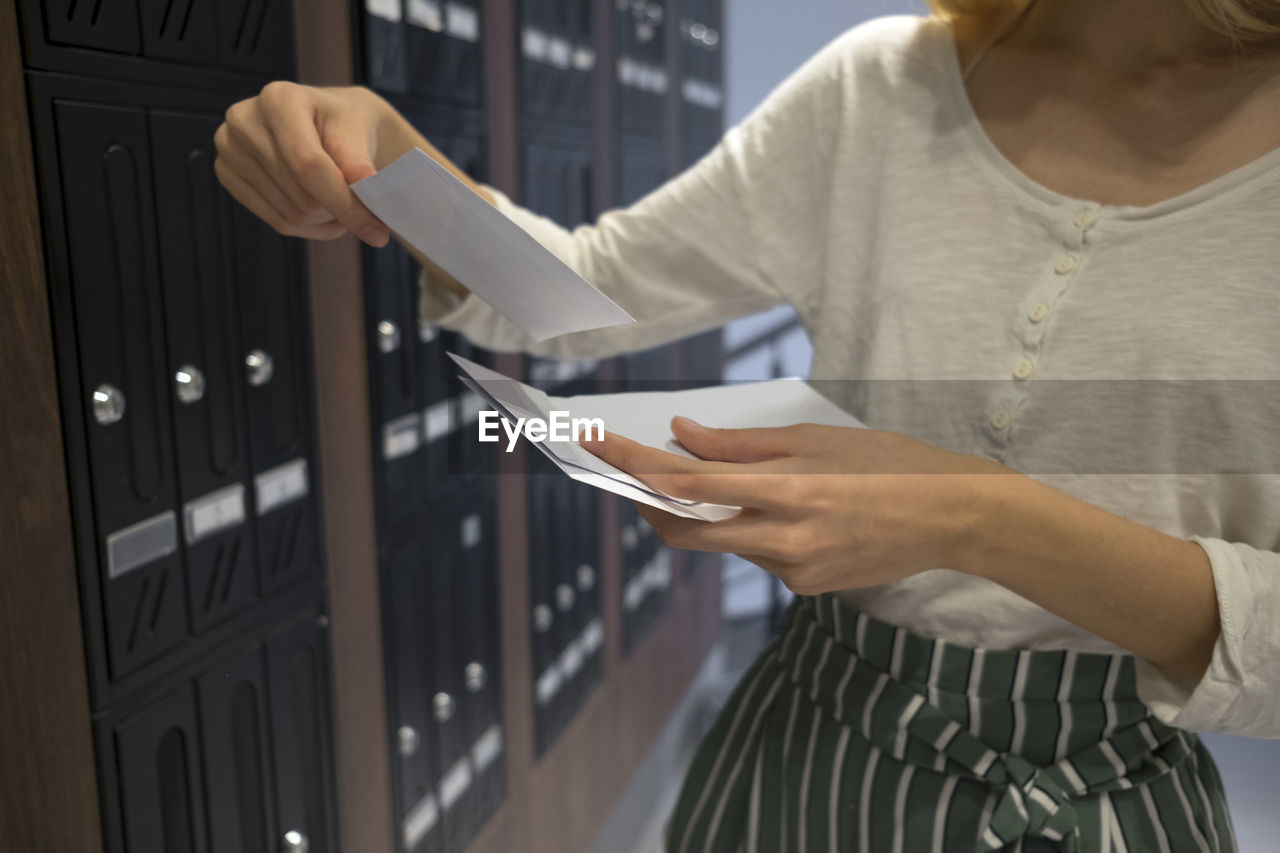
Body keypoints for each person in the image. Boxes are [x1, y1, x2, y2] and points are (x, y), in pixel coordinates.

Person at [214, 0, 1280, 848]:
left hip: (1105, 792)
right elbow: (583, 293)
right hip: (801, 742)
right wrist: (391, 164)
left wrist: (969, 516)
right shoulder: (884, 84)